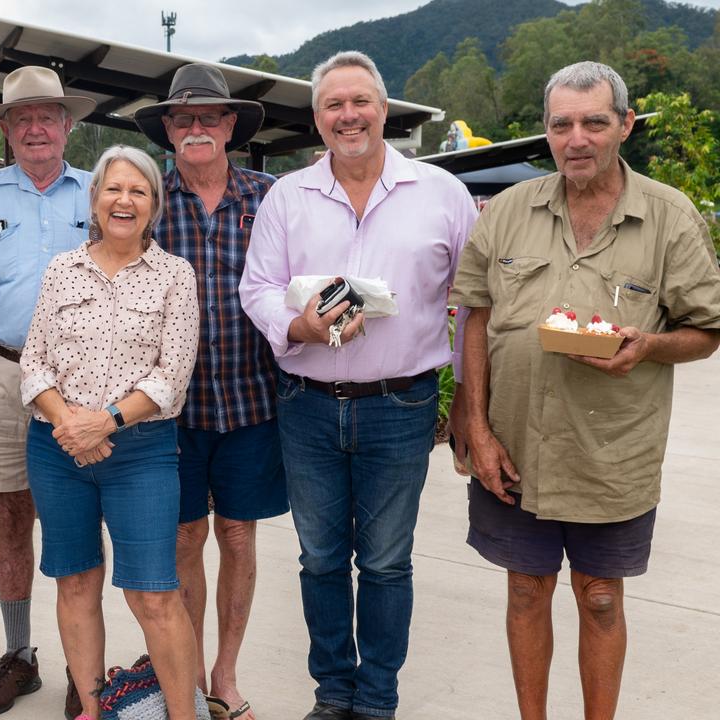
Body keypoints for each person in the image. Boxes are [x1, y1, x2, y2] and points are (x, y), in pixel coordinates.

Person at [450, 61, 720, 720]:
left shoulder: (668, 216)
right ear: (545, 131)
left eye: (594, 122)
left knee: (600, 595)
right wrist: (475, 428)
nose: (577, 138)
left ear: (624, 125)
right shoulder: (510, 211)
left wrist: (648, 346)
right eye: (561, 124)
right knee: (525, 592)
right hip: (514, 450)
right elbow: (475, 315)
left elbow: (707, 328)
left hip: (611, 453)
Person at [238, 51, 478, 720]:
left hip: (401, 404)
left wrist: (465, 399)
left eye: (360, 102)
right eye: (334, 105)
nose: (349, 115)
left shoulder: (441, 194)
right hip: (307, 403)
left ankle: (376, 700)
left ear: (383, 109)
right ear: (318, 119)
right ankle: (333, 693)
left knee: (385, 564)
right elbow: (255, 287)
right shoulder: (289, 196)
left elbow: (475, 299)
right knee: (318, 560)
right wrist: (297, 327)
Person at [20, 145, 201, 720]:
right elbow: (34, 363)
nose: (124, 200)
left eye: (138, 191)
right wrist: (70, 421)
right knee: (74, 583)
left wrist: (108, 420)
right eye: (113, 189)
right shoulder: (61, 269)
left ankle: (181, 714)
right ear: (95, 200)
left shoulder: (176, 275)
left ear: (154, 204)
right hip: (57, 447)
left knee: (153, 592)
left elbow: (173, 374)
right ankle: (92, 711)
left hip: (142, 451)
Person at [132, 63, 285, 720]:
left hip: (253, 399)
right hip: (172, 408)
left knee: (240, 537)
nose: (196, 128)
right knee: (185, 539)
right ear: (168, 129)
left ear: (230, 126)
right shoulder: (146, 201)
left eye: (209, 117)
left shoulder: (271, 198)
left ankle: (225, 672)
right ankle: (188, 673)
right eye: (183, 118)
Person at [0, 65, 96, 718]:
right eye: (22, 117)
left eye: (48, 115)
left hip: (79, 383)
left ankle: (81, 665)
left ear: (69, 124)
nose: (35, 127)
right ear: (6, 129)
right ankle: (22, 656)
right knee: (10, 518)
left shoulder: (99, 195)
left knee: (73, 523)